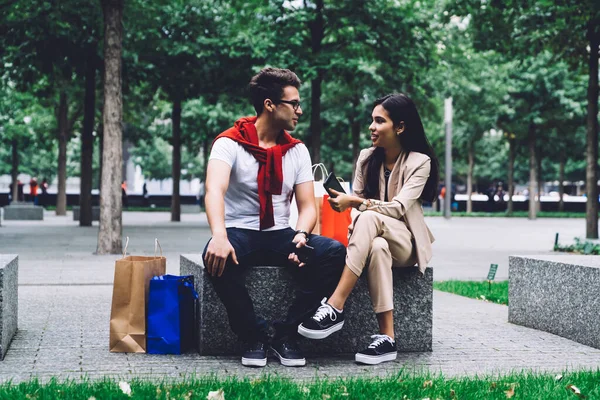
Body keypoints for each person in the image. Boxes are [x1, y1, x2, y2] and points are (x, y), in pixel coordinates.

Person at [203, 67, 345, 368]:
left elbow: (307, 206)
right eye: (293, 103)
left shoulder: (297, 151)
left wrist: (302, 235)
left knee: (333, 253)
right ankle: (252, 336)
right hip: (239, 230)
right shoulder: (229, 143)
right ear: (270, 104)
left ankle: (286, 335)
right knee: (214, 256)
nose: (300, 110)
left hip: (281, 233)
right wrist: (219, 235)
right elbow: (214, 190)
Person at [298, 93, 439, 365]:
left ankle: (335, 305)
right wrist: (346, 203)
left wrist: (355, 201)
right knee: (376, 246)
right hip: (377, 240)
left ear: (399, 127)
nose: (371, 127)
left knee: (370, 218)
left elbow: (398, 208)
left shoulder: (420, 162)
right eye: (371, 121)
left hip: (406, 243)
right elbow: (355, 209)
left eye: (379, 121)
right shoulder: (366, 158)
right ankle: (387, 338)